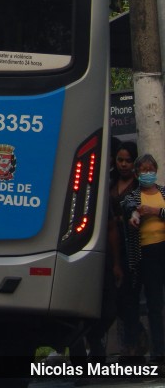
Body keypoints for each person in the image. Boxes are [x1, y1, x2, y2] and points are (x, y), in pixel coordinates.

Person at [122, 153, 165, 364]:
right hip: (146, 254)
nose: (148, 174)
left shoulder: (163, 193)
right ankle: (159, 352)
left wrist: (156, 211)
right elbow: (128, 208)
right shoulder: (133, 196)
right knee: (154, 304)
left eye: (151, 169)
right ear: (137, 173)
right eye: (143, 170)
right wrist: (135, 215)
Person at [109, 141, 147, 362]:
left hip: (134, 248)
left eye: (128, 160)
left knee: (132, 298)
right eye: (120, 160)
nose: (123, 164)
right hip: (114, 250)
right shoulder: (111, 183)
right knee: (119, 300)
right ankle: (134, 339)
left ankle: (134, 349)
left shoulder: (139, 187)